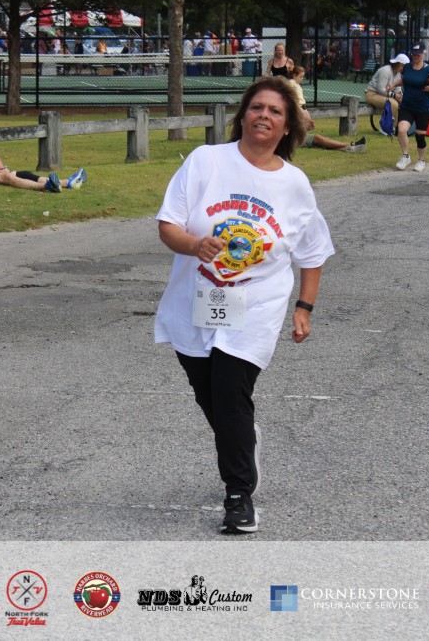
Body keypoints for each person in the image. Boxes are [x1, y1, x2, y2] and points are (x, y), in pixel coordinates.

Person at [154, 77, 334, 534]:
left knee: (231, 391)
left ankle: (238, 496)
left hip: (257, 303)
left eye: (275, 111)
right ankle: (243, 441)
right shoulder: (206, 161)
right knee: (209, 393)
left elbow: (312, 251)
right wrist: (195, 245)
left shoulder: (294, 184)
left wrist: (304, 307)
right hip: (198, 296)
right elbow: (168, 225)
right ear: (243, 114)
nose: (264, 116)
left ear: (288, 126)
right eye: (257, 107)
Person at [0, 97, 87, 192]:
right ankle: (47, 186)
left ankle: (67, 183)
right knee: (7, 177)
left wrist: (3, 168)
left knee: (24, 174)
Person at [288, 66, 366, 152]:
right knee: (318, 138)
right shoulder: (291, 87)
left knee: (323, 139)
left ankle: (347, 148)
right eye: (301, 76)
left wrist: (307, 126)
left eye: (303, 76)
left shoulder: (295, 103)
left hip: (297, 135)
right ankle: (351, 145)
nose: (302, 79)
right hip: (293, 139)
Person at [389, 42, 429, 172]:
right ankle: (405, 156)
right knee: (401, 130)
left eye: (418, 55)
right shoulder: (407, 68)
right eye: (414, 55)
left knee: (419, 137)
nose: (416, 57)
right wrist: (393, 85)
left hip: (423, 108)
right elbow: (404, 80)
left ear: (423, 54)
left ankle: (421, 160)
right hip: (407, 106)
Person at [364, 53, 408, 128]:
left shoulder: (398, 74)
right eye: (403, 66)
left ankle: (402, 126)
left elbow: (397, 90)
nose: (404, 69)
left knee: (405, 103)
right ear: (399, 65)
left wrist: (400, 96)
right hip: (372, 94)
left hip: (384, 95)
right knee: (393, 104)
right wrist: (394, 95)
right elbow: (380, 89)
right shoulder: (386, 70)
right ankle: (392, 128)